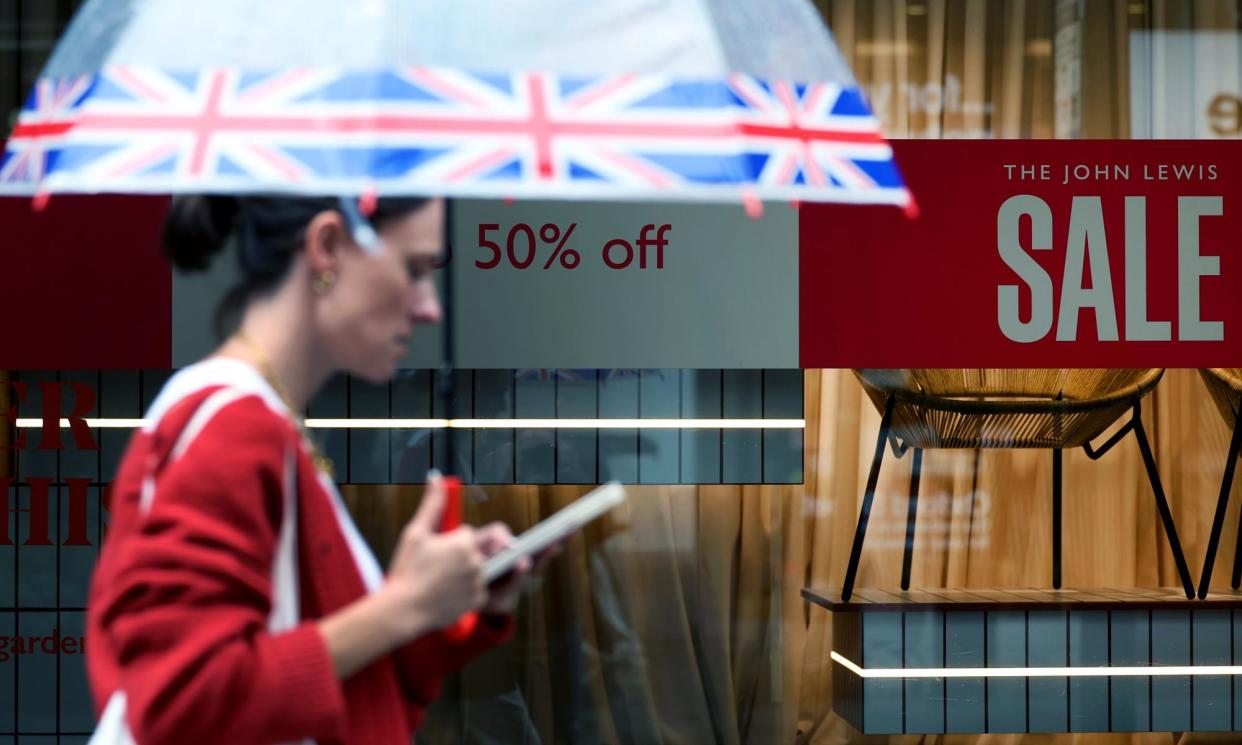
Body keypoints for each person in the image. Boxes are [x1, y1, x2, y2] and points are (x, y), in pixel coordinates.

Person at [86, 195, 548, 745]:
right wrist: (403, 606)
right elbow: (181, 704)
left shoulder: (266, 423)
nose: (430, 307)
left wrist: (436, 604)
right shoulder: (235, 429)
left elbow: (336, 685)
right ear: (328, 246)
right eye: (414, 269)